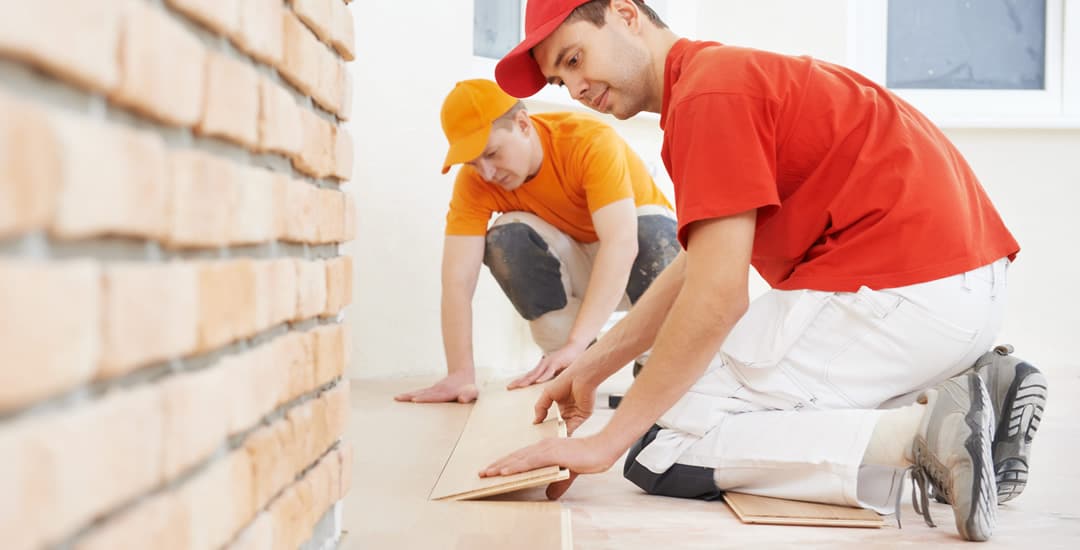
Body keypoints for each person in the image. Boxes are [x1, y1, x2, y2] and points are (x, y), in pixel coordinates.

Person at [480, 0, 1048, 542]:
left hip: (901, 297)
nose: (575, 89)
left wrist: (604, 443)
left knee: (661, 444)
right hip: (961, 295)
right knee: (671, 395)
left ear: (626, 15)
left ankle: (922, 434)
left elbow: (718, 298)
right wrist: (593, 365)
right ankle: (979, 398)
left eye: (574, 59)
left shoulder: (708, 96)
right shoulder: (724, 77)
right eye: (560, 80)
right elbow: (695, 266)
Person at [395, 79, 680, 404]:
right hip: (579, 268)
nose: (486, 173)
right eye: (474, 163)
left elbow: (621, 244)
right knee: (508, 240)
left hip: (643, 265)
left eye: (491, 153)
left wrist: (578, 341)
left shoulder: (588, 141)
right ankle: (570, 365)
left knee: (653, 233)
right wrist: (460, 373)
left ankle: (658, 367)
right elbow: (458, 281)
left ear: (523, 124)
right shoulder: (476, 182)